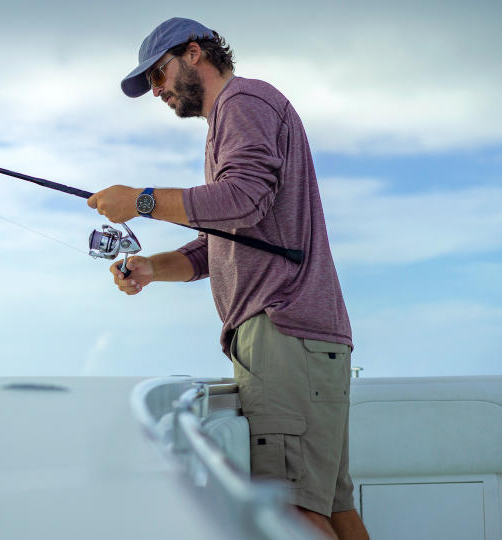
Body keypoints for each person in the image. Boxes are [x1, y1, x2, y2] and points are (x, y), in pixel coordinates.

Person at [87, 17, 370, 540]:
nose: (157, 91)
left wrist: (142, 201)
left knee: (294, 513)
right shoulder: (234, 119)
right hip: (303, 339)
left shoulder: (244, 103)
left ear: (193, 53)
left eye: (159, 75)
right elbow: (220, 241)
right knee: (331, 510)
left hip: (283, 335)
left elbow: (242, 198)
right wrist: (152, 268)